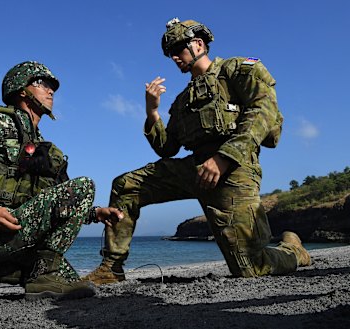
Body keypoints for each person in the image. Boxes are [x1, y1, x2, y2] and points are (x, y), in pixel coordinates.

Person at [84, 18, 311, 285]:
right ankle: (111, 268)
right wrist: (152, 111)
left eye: (178, 50)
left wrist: (224, 158)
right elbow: (167, 148)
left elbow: (263, 109)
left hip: (234, 169)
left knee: (251, 268)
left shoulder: (237, 70)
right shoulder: (183, 101)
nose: (175, 58)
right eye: (171, 54)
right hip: (196, 168)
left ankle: (294, 251)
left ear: (199, 44)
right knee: (126, 185)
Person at [0, 61, 123, 304]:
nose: (51, 91)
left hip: (19, 233)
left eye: (53, 87)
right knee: (85, 186)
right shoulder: (0, 124)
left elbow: (50, 205)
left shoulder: (40, 145)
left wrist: (95, 213)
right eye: (43, 84)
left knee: (75, 283)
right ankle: (29, 273)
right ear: (22, 90)